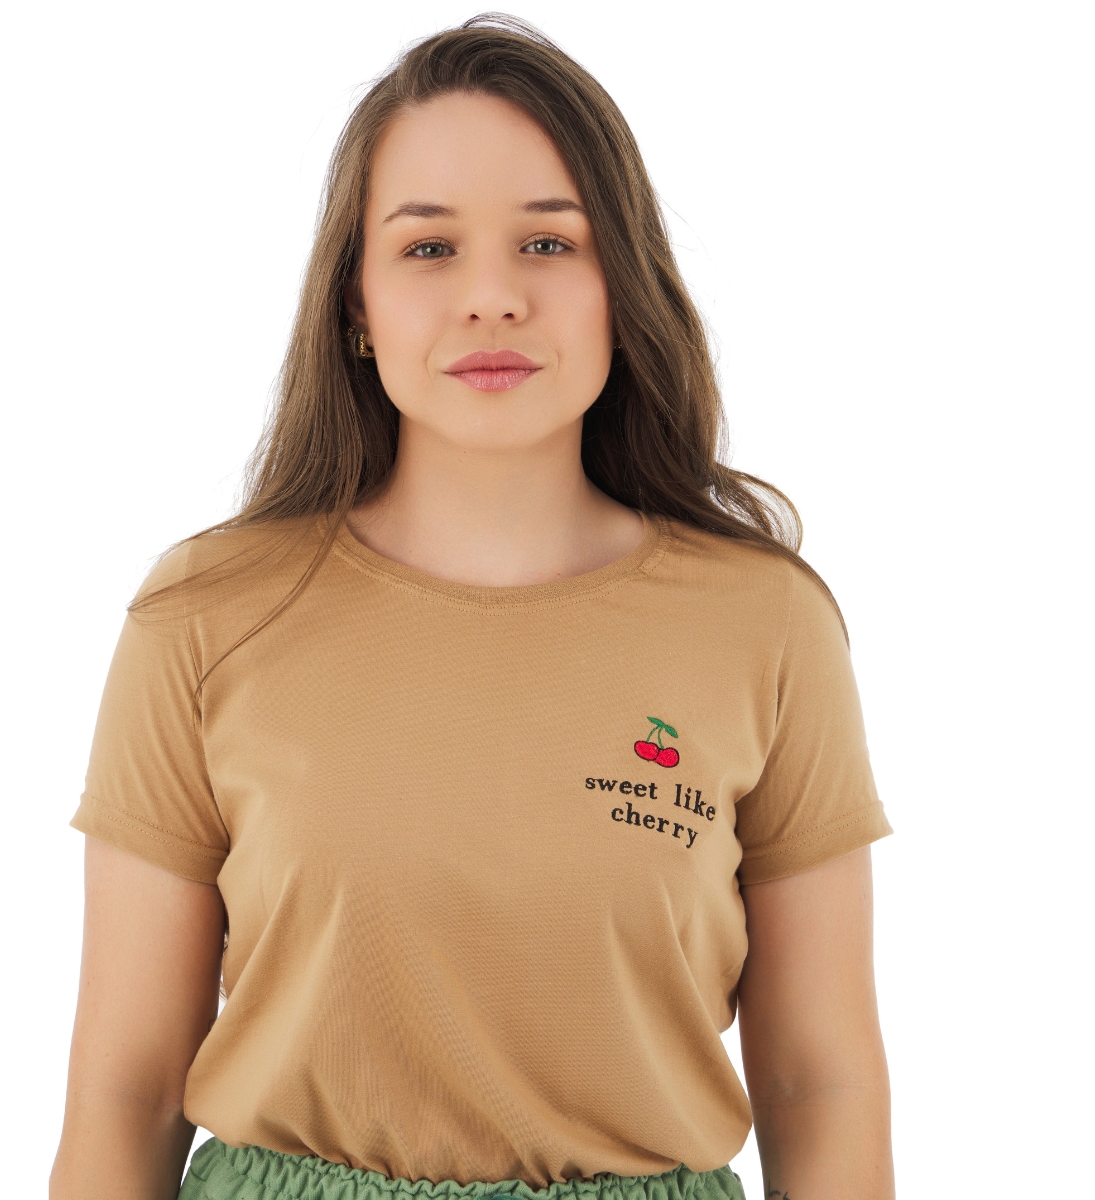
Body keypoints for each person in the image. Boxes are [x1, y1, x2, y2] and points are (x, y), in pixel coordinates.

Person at [50, 15, 895, 1200]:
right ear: (356, 303)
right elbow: (125, 1090)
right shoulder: (203, 619)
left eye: (549, 242)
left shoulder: (767, 626)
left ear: (621, 285)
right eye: (429, 248)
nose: (493, 297)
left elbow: (821, 1084)